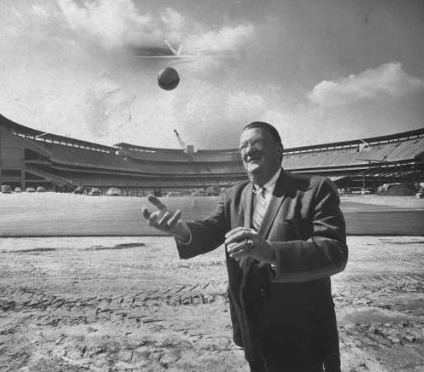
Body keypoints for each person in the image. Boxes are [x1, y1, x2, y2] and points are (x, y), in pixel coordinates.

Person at [142, 121, 348, 372]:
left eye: (256, 143)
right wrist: (182, 230)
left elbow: (334, 251)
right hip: (253, 330)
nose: (248, 150)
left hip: (301, 332)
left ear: (279, 150)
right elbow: (212, 229)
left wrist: (271, 252)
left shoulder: (313, 189)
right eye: (243, 146)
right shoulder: (234, 195)